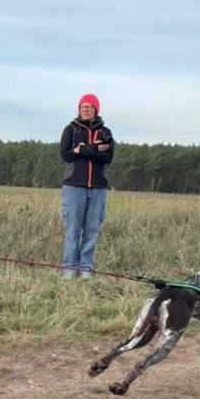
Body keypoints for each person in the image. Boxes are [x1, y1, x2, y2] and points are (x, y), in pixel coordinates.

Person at [59, 93, 115, 279]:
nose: (85, 109)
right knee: (73, 229)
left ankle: (86, 269)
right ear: (79, 109)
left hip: (98, 187)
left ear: (96, 109)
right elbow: (66, 155)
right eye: (83, 106)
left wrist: (83, 150)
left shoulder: (105, 133)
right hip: (74, 186)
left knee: (92, 229)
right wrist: (92, 149)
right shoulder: (70, 130)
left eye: (89, 107)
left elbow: (107, 157)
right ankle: (69, 267)